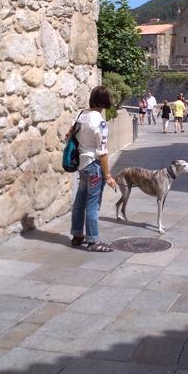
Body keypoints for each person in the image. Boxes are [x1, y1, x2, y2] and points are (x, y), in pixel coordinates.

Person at [70, 85, 118, 252]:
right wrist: (108, 175)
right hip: (94, 166)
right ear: (106, 101)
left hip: (81, 165)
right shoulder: (100, 122)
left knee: (80, 200)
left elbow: (69, 134)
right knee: (93, 204)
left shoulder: (80, 115)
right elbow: (102, 152)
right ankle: (93, 241)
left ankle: (77, 234)